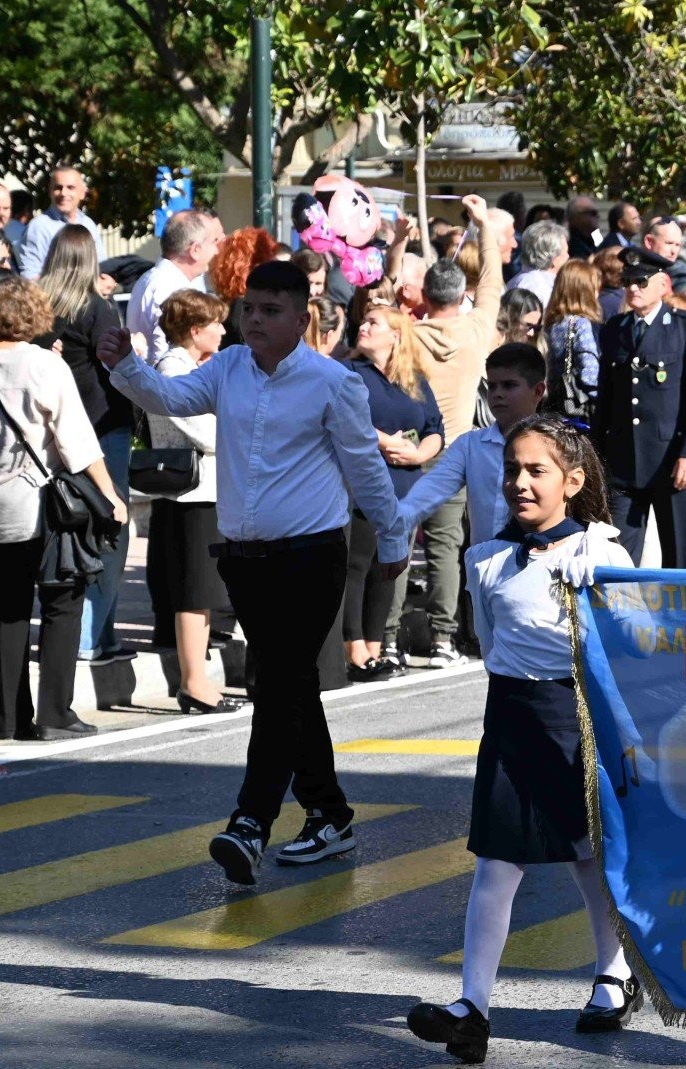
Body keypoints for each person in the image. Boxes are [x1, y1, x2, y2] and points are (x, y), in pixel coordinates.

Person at [101, 260, 409, 886]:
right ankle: (330, 815)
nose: (257, 321)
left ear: (303, 319)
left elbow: (365, 469)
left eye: (272, 311)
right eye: (250, 309)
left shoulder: (332, 383)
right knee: (290, 688)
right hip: (246, 560)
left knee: (278, 685)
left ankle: (251, 821)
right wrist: (124, 365)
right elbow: (173, 397)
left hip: (311, 555)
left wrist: (394, 538)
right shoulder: (230, 367)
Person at [405, 416, 639, 1063]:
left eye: (536, 470)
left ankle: (614, 972)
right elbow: (493, 645)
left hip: (576, 719)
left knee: (586, 857)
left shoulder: (600, 553)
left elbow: (638, 648)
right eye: (511, 470)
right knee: (496, 863)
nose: (519, 482)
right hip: (509, 718)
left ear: (573, 479)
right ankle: (472, 1008)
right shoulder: (487, 558)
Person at [0, 274, 126, 739]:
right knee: (62, 603)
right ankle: (54, 715)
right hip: (44, 506)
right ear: (34, 314)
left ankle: (7, 718)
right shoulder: (45, 365)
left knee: (4, 612)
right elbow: (77, 443)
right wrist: (110, 496)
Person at [36, 224, 135, 664]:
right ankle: (95, 635)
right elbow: (115, 365)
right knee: (110, 528)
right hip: (100, 427)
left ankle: (83, 633)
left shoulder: (37, 309)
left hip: (53, 432)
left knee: (67, 530)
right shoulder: (97, 308)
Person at [412, 195, 503, 668]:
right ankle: (444, 636)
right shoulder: (476, 330)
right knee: (447, 548)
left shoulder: (408, 336)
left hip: (408, 449)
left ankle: (384, 639)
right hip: (456, 450)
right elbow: (492, 281)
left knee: (399, 541)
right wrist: (483, 223)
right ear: (460, 294)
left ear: (424, 297)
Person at [140, 291, 240, 713]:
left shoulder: (189, 366)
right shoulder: (174, 369)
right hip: (190, 491)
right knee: (194, 590)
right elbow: (202, 431)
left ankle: (197, 679)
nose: (222, 330)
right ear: (195, 331)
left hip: (200, 490)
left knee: (201, 590)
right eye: (215, 324)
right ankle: (194, 682)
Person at [593, 247, 686, 568]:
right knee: (616, 560)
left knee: (681, 558)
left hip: (672, 461)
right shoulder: (615, 329)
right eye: (628, 281)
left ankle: (683, 619)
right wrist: (598, 456)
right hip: (624, 464)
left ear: (662, 284)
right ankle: (623, 619)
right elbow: (605, 398)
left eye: (641, 281)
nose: (633, 288)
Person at [342, 304, 445, 681]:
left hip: (404, 488)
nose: (364, 327)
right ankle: (353, 649)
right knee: (358, 566)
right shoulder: (350, 372)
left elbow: (436, 428)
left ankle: (374, 647)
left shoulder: (414, 378)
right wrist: (384, 441)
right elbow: (342, 418)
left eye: (374, 322)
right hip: (363, 486)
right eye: (364, 321)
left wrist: (419, 452)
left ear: (396, 335)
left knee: (387, 568)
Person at [399, 343, 546, 560]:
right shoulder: (471, 445)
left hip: (537, 568)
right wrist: (396, 518)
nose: (497, 394)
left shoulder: (556, 445)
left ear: (537, 391)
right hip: (482, 570)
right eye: (492, 386)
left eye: (509, 385)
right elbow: (432, 489)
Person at [128, 209, 221, 364]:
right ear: (195, 250)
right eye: (213, 242)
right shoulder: (167, 288)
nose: (216, 250)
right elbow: (164, 356)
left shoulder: (165, 281)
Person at [542, 258, 602, 418]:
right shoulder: (580, 324)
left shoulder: (552, 323)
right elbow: (589, 372)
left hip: (555, 404)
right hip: (578, 407)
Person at [18, 167, 103, 279]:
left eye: (70, 188)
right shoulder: (39, 227)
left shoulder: (88, 224)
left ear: (82, 193)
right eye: (58, 188)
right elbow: (30, 277)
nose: (63, 193)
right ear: (50, 192)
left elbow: (101, 265)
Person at [508, 219, 569, 301]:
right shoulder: (535, 288)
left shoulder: (523, 280)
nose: (568, 257)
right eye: (565, 253)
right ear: (553, 258)